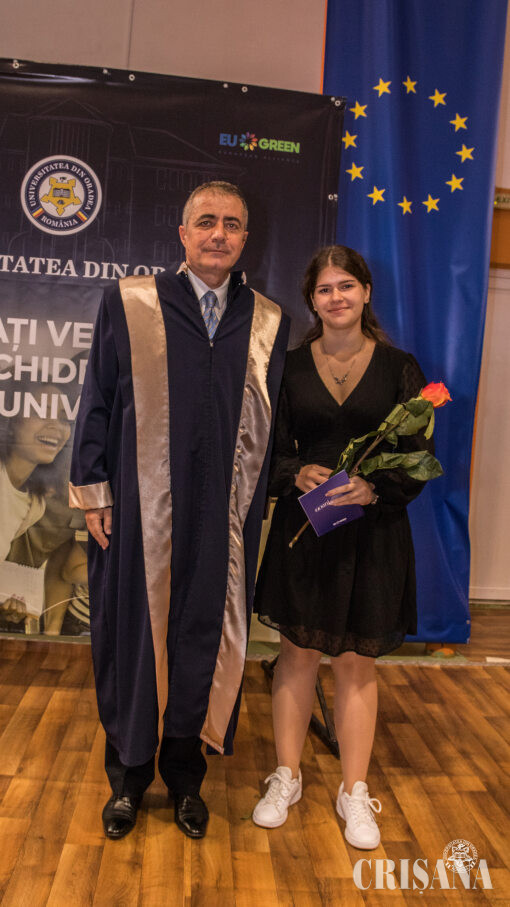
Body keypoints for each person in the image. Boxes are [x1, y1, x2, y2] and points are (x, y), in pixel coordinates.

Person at [69, 181, 289, 840]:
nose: (219, 234)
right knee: (138, 636)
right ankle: (129, 778)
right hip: (143, 507)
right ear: (183, 233)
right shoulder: (131, 301)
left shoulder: (268, 321)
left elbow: (277, 422)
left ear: (245, 238)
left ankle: (186, 777)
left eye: (232, 224)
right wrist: (93, 490)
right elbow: (97, 397)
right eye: (206, 222)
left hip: (223, 511)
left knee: (202, 634)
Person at [252, 245, 433, 850]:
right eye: (325, 289)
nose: (336, 298)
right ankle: (287, 776)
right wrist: (295, 472)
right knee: (297, 655)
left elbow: (419, 455)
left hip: (372, 535)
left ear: (366, 292)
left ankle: (354, 791)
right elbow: (265, 449)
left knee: (357, 663)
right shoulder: (288, 366)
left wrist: (376, 488)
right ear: (312, 299)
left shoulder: (401, 368)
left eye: (346, 286)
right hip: (306, 531)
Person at [0, 384, 71, 626]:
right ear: (11, 420)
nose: (55, 426)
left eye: (64, 418)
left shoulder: (34, 504)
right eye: (41, 411)